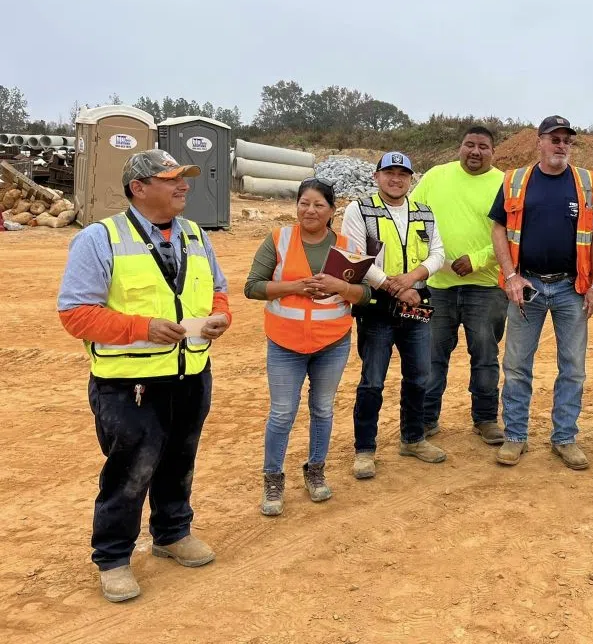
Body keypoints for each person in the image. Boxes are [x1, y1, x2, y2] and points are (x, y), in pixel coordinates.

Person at [57, 149, 231, 603]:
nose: (183, 185)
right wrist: (143, 328)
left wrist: (220, 316)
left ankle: (172, 533)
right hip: (129, 384)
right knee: (130, 472)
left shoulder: (195, 234)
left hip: (191, 373)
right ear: (138, 187)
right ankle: (113, 558)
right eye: (171, 179)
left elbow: (218, 290)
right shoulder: (100, 239)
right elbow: (75, 313)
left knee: (179, 461)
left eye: (184, 178)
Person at [244, 178, 372, 517]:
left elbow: (365, 294)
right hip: (285, 342)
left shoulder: (346, 245)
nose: (310, 210)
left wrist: (340, 286)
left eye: (318, 205)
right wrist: (295, 286)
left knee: (323, 409)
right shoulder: (279, 239)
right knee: (282, 413)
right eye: (304, 203)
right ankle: (273, 479)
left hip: (332, 342)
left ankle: (316, 470)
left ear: (332, 211)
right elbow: (252, 287)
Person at [490, 115, 593, 470]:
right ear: (539, 142)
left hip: (571, 289)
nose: (561, 145)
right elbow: (498, 228)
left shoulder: (588, 183)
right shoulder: (515, 181)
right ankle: (515, 436)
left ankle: (565, 438)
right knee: (516, 365)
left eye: (567, 140)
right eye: (554, 139)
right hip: (526, 287)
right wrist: (511, 276)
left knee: (572, 367)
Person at [340, 151, 448, 479]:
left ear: (411, 179)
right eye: (389, 172)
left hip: (416, 301)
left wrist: (412, 278)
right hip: (376, 306)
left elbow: (437, 254)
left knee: (419, 375)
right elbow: (355, 257)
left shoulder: (424, 213)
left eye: (403, 174)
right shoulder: (359, 210)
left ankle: (413, 439)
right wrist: (393, 286)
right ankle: (364, 450)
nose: (396, 179)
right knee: (372, 380)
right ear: (377, 176)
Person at [411, 125, 507, 445]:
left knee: (485, 355)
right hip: (438, 286)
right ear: (460, 147)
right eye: (469, 144)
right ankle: (426, 418)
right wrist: (430, 259)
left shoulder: (504, 184)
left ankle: (485, 418)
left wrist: (477, 259)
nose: (475, 151)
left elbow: (512, 234)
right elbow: (413, 219)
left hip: (487, 287)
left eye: (483, 146)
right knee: (432, 356)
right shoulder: (435, 177)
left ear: (493, 151)